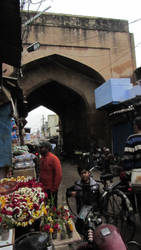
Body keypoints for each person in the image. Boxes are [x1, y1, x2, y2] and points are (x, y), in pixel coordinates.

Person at [39, 141, 62, 207]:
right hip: (43, 188)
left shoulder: (54, 159)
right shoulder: (42, 159)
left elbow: (59, 175)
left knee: (52, 206)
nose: (40, 149)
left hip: (51, 189)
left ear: (47, 148)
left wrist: (54, 188)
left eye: (41, 148)